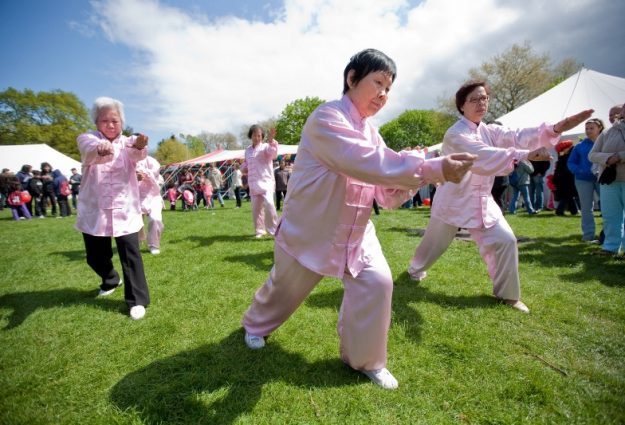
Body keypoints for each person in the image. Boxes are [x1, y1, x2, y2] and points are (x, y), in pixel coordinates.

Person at [242, 49, 476, 390]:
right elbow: (364, 161)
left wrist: (413, 177)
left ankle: (365, 360)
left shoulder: (371, 132)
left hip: (357, 231)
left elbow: (383, 187)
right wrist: (429, 167)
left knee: (378, 283)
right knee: (285, 288)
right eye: (377, 82)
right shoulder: (326, 118)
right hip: (313, 228)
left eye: (389, 88)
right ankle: (255, 326)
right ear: (352, 79)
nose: (383, 94)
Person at [407, 80, 593, 314]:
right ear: (462, 106)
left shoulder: (489, 130)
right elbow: (480, 156)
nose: (481, 103)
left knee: (506, 240)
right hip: (453, 200)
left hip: (482, 201)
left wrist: (555, 128)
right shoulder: (455, 134)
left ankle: (508, 296)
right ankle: (415, 270)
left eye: (484, 98)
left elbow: (517, 136)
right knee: (434, 243)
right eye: (474, 99)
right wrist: (525, 154)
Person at [75, 96, 151, 320]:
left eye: (115, 121)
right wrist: (100, 147)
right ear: (96, 123)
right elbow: (89, 150)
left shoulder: (128, 142)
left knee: (131, 254)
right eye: (104, 120)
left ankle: (137, 300)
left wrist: (139, 146)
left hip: (124, 209)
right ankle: (110, 278)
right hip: (96, 208)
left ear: (122, 123)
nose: (110, 125)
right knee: (95, 256)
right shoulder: (87, 138)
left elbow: (137, 152)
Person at [589, 102, 625, 257]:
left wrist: (620, 156)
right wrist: (609, 158)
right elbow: (592, 155)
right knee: (611, 216)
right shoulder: (607, 133)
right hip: (610, 181)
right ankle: (610, 247)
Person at [567, 118, 604, 242]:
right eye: (587, 128)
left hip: (603, 178)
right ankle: (588, 236)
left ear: (600, 128)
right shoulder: (579, 145)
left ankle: (608, 235)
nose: (588, 131)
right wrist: (579, 170)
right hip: (582, 180)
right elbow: (571, 162)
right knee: (586, 208)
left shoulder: (606, 142)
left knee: (608, 207)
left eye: (591, 128)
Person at [242, 125, 279, 237]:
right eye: (254, 135)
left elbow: (273, 153)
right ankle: (259, 230)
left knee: (269, 204)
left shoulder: (266, 147)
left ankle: (273, 230)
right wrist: (243, 167)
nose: (257, 137)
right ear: (251, 136)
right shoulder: (247, 150)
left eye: (259, 135)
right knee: (256, 209)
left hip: (266, 181)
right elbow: (246, 164)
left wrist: (271, 140)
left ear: (262, 136)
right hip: (253, 183)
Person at [137, 156, 165, 255]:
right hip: (136, 196)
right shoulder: (128, 159)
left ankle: (154, 244)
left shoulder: (152, 161)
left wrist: (143, 173)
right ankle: (139, 239)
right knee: (135, 222)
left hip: (153, 196)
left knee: (155, 219)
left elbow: (155, 172)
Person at [553, 140, 579, 216]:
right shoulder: (566, 157)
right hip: (567, 179)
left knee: (568, 196)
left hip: (565, 179)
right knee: (568, 196)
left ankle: (574, 211)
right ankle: (560, 211)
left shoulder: (563, 157)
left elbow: (558, 169)